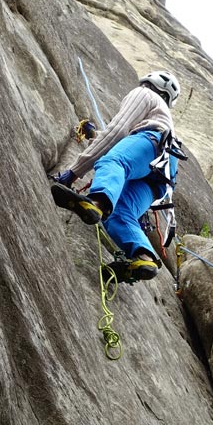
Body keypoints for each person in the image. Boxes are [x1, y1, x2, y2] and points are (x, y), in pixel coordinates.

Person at [50, 70, 183, 281]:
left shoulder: (145, 93)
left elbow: (118, 132)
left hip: (152, 143)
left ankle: (97, 203)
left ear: (149, 82)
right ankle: (144, 258)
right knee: (121, 211)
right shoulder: (163, 115)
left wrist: (72, 173)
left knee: (113, 162)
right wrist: (94, 135)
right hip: (165, 171)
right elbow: (125, 143)